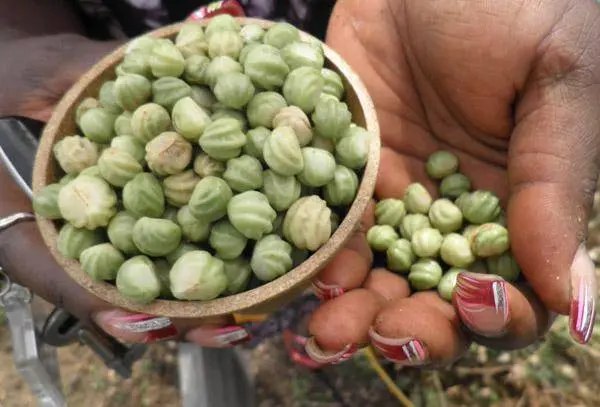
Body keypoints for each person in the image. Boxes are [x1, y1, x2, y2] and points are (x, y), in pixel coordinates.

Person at [0, 0, 598, 369]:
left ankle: (284, 349)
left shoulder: (299, 124)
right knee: (230, 308)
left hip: (359, 45)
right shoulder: (130, 159)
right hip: (103, 38)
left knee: (312, 290)